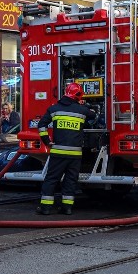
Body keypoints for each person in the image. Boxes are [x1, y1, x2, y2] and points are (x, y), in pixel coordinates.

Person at [36, 83, 96, 215]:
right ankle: (67, 208)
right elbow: (94, 115)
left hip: (57, 152)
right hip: (75, 154)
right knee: (70, 180)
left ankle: (45, 208)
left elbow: (41, 125)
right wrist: (86, 105)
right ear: (78, 95)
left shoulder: (54, 109)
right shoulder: (82, 110)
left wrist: (47, 141)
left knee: (51, 179)